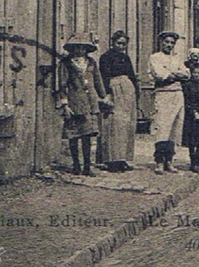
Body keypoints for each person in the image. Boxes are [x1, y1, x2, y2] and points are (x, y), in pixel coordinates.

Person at [55, 33, 108, 176]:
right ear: (71, 49)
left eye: (82, 48)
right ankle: (76, 165)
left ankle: (86, 167)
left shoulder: (91, 62)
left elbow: (98, 81)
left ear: (86, 49)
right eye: (76, 48)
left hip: (89, 104)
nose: (79, 50)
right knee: (74, 136)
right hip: (74, 104)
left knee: (87, 136)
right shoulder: (65, 63)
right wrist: (65, 104)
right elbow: (62, 85)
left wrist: (104, 97)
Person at [97, 30, 138, 172]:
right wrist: (106, 94)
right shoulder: (105, 57)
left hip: (128, 93)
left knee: (127, 125)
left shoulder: (125, 58)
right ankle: (111, 160)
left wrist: (136, 93)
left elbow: (132, 75)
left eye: (124, 44)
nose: (121, 46)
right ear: (112, 43)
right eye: (119, 43)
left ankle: (122, 159)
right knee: (114, 125)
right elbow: (104, 77)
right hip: (114, 90)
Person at [149, 31, 190, 174]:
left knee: (175, 129)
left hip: (177, 95)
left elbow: (186, 74)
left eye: (172, 43)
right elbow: (160, 75)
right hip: (163, 94)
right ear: (161, 42)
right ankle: (159, 161)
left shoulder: (177, 58)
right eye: (166, 42)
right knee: (162, 128)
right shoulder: (155, 57)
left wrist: (174, 74)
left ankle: (169, 161)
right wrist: (175, 74)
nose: (169, 45)